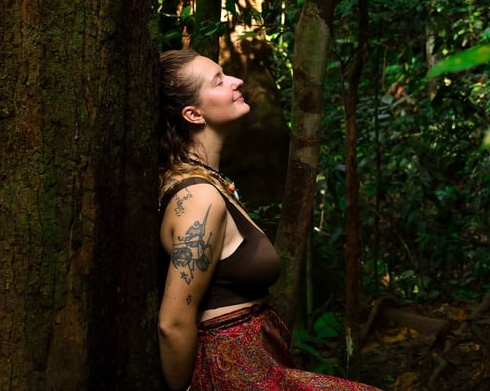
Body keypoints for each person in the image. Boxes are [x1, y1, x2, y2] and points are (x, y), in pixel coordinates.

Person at [157, 49, 382, 391]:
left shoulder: (205, 182)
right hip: (231, 373)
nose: (236, 81)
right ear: (193, 113)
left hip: (258, 364)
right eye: (218, 81)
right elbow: (172, 323)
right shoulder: (198, 198)